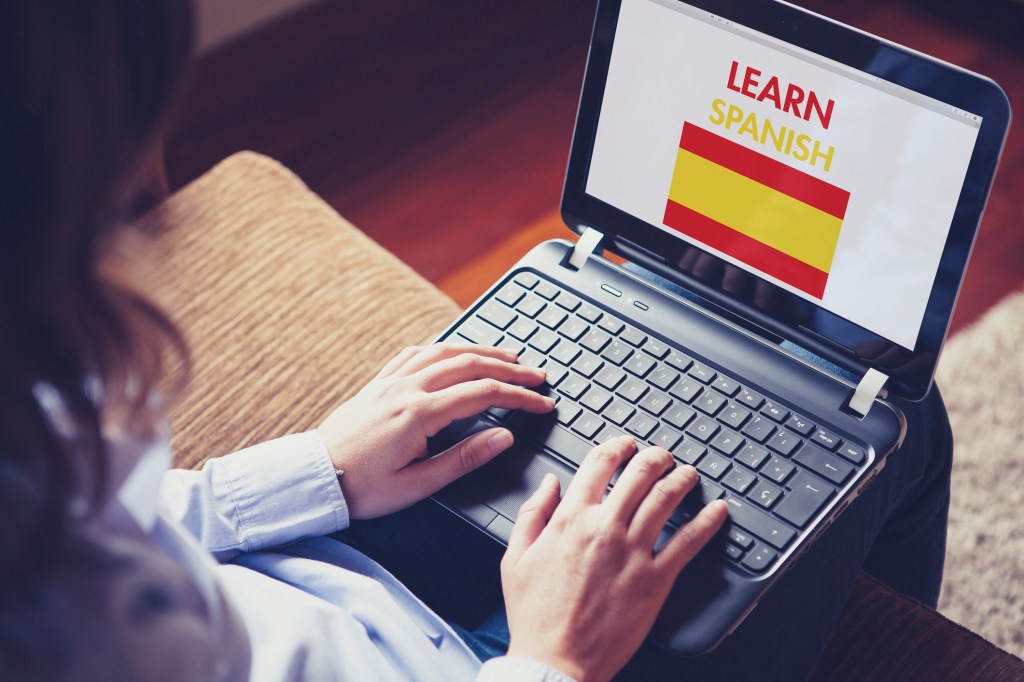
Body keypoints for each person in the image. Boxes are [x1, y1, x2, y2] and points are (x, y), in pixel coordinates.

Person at [0, 2, 953, 680]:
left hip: (333, 578)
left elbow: (118, 522)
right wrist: (553, 657)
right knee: (902, 414)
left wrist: (314, 470)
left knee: (786, 367)